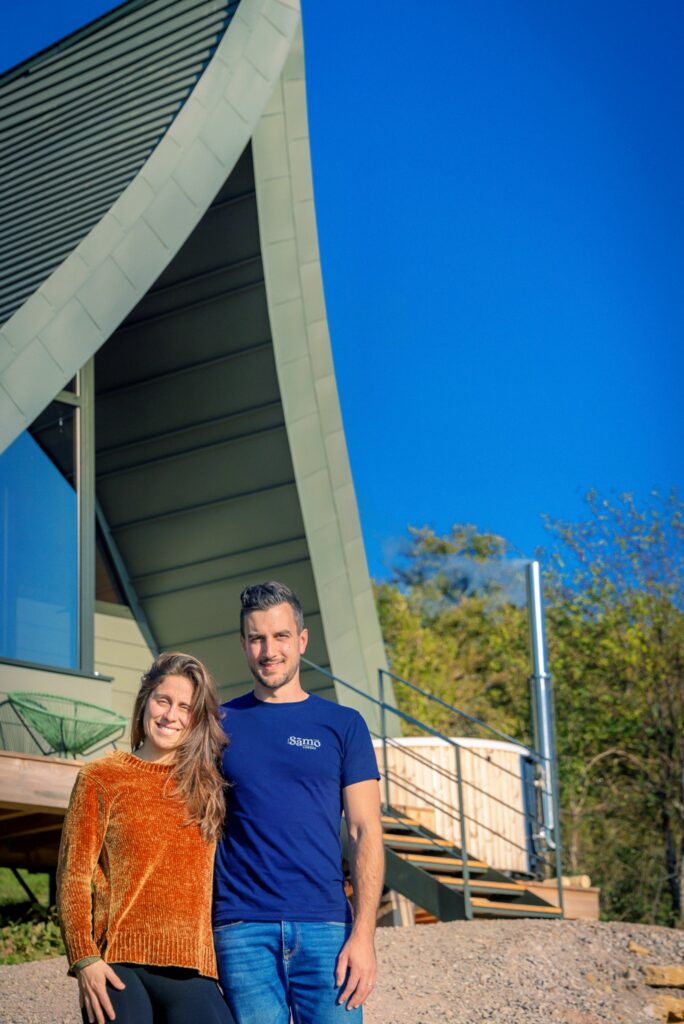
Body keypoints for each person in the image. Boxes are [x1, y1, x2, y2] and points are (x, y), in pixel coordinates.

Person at [213, 581, 385, 1024]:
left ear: (302, 640)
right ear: (243, 644)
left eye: (281, 636)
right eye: (257, 638)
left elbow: (364, 830)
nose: (269, 650)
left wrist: (364, 935)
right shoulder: (217, 725)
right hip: (242, 929)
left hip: (327, 927)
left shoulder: (343, 725)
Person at [57, 652, 234, 1024]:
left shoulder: (210, 787)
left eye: (185, 707)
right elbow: (73, 876)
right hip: (118, 965)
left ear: (197, 718)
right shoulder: (100, 777)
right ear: (145, 701)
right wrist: (84, 958)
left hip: (193, 967)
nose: (170, 715)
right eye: (163, 700)